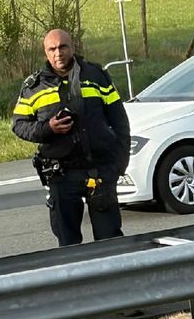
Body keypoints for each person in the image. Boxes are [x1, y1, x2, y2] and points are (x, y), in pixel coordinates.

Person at [12, 29, 130, 246]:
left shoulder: (96, 76)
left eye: (63, 47)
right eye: (52, 49)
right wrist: (48, 128)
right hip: (61, 175)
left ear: (73, 47)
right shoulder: (34, 86)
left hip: (101, 170)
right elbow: (19, 126)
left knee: (111, 241)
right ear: (45, 53)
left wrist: (118, 166)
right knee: (68, 244)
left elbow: (120, 122)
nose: (58, 53)